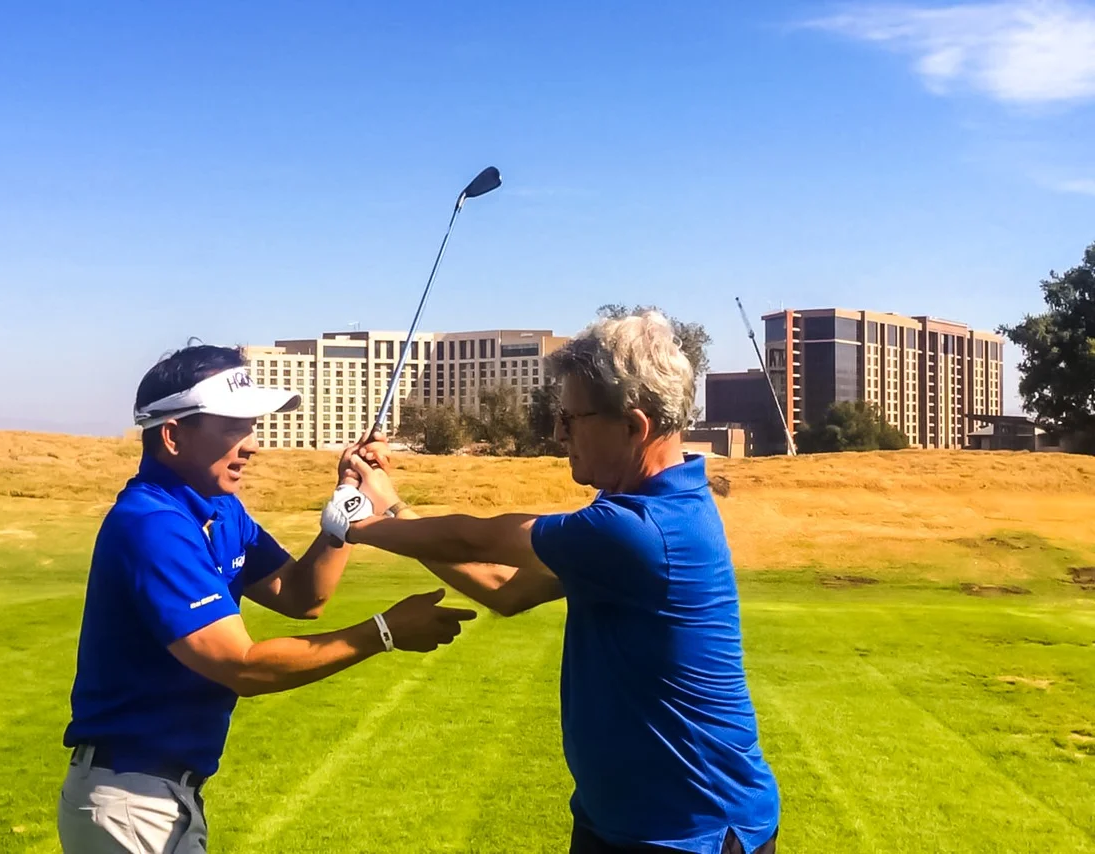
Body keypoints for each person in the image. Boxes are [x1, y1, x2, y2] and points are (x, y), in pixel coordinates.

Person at [324, 311, 780, 854]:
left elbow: (478, 541)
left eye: (572, 417)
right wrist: (390, 504)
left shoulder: (640, 532)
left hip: (691, 833)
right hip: (614, 821)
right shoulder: (629, 512)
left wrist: (355, 524)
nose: (558, 433)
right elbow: (504, 589)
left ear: (634, 427)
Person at [58, 344, 476, 854]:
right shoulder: (153, 526)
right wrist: (384, 632)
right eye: (234, 426)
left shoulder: (220, 510)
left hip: (160, 796)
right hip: (129, 800)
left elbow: (303, 595)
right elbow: (241, 666)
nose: (252, 444)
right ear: (172, 436)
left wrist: (350, 498)